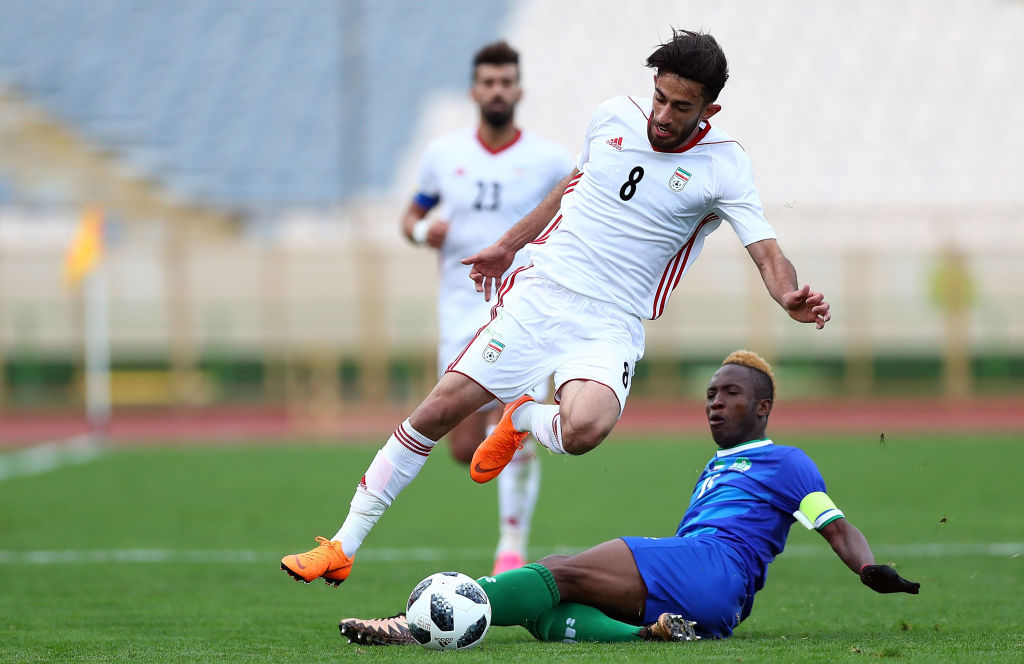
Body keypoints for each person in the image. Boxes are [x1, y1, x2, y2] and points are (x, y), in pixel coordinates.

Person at [280, 29, 833, 588]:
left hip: (613, 319)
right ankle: (342, 545)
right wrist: (508, 244)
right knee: (438, 412)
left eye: (680, 106)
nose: (662, 115)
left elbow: (766, 251)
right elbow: (571, 188)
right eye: (660, 97)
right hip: (544, 293)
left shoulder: (725, 167)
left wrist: (787, 295)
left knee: (585, 430)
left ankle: (519, 417)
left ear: (708, 109)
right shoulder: (613, 117)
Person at [336, 350, 921, 646]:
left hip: (710, 565)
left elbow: (834, 525)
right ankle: (647, 635)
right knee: (547, 608)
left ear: (762, 407)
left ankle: (413, 626)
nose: (715, 402)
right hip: (716, 598)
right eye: (711, 393)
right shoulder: (719, 465)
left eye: (731, 394)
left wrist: (868, 567)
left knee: (558, 569)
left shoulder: (785, 460)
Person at [399, 40, 573, 575]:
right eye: (488, 82)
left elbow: (577, 215)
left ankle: (510, 545)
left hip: (522, 308)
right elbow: (409, 218)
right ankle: (507, 515)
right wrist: (428, 230)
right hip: (459, 311)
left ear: (518, 89)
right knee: (463, 449)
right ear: (475, 90)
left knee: (514, 423)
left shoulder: (549, 160)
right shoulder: (442, 156)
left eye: (506, 82)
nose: (498, 90)